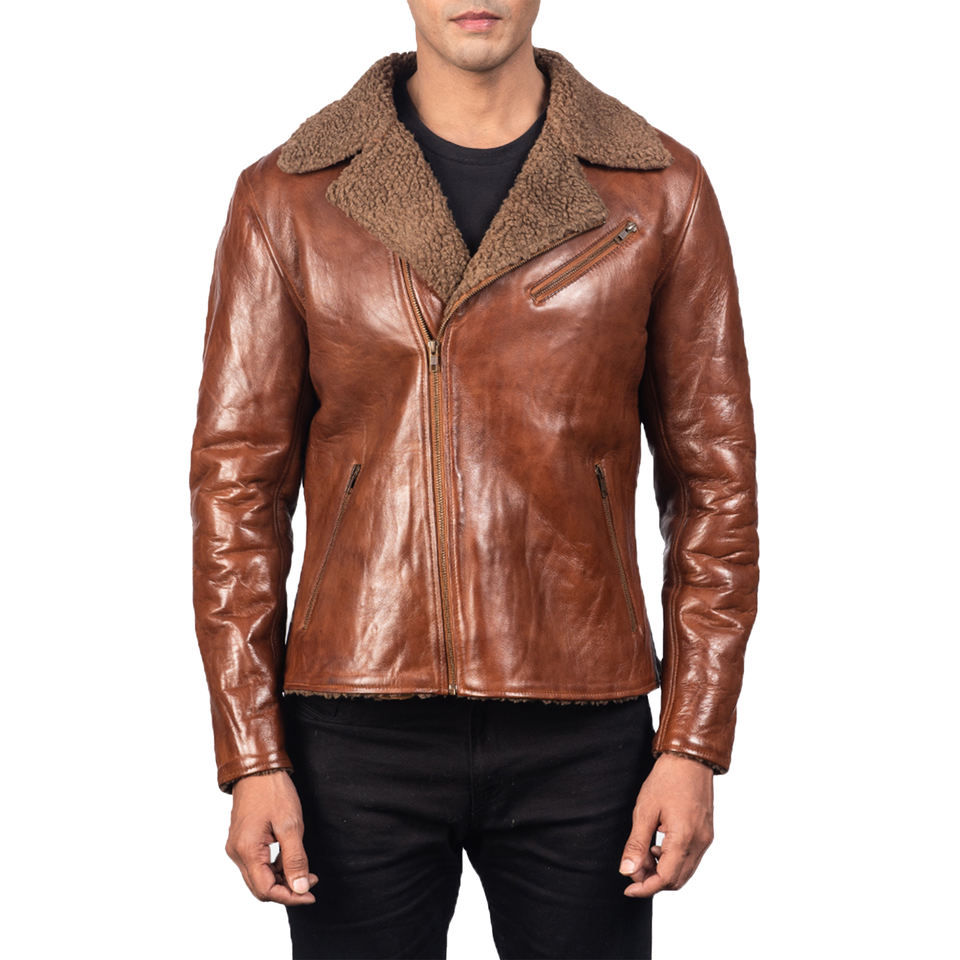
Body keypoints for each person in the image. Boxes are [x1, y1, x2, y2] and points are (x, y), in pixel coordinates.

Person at [189, 2, 759, 957]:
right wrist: (251, 754)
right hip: (352, 728)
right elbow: (236, 490)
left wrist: (694, 741)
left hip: (585, 729)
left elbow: (716, 484)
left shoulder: (660, 190)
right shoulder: (288, 197)